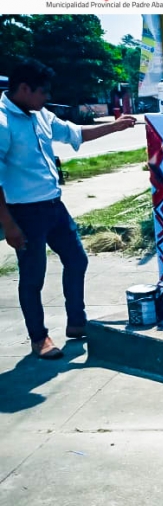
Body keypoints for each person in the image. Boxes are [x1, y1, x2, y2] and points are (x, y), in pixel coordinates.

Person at [0, 58, 138, 359]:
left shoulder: (41, 115)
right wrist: (9, 225)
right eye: (43, 92)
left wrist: (115, 126)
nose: (47, 97)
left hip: (54, 206)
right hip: (24, 213)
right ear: (24, 89)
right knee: (33, 276)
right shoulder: (2, 123)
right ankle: (40, 338)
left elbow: (76, 134)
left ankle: (76, 322)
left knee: (77, 260)